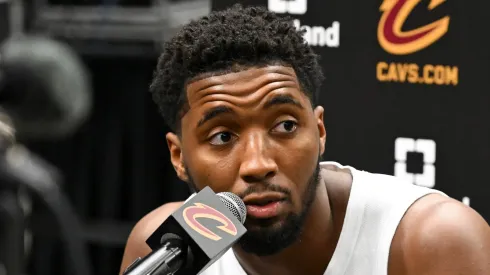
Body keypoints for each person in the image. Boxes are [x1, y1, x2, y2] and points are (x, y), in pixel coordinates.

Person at [120, 4, 490, 275]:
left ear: (320, 130)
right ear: (178, 155)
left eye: (284, 126)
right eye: (222, 136)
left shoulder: (434, 243)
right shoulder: (164, 254)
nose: (258, 164)